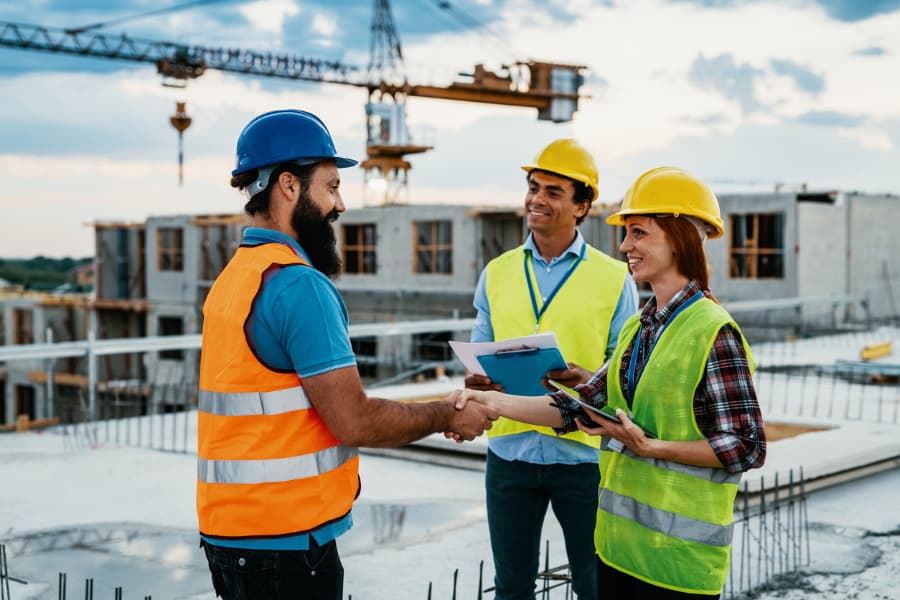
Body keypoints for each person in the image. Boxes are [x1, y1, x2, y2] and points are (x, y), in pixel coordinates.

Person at [197, 109, 496, 600]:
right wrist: (447, 413)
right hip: (286, 544)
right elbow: (354, 421)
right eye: (331, 187)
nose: (340, 205)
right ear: (289, 186)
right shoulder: (299, 286)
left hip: (230, 535)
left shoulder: (235, 279)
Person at [453, 166, 766, 599]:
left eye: (638, 233)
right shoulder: (641, 329)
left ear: (678, 239)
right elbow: (575, 407)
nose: (624, 246)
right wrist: (486, 404)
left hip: (678, 567)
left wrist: (652, 447)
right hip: (620, 554)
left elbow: (747, 445)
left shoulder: (713, 331)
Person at [467, 138, 639, 600]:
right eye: (533, 187)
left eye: (554, 191)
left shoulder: (614, 279)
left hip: (584, 460)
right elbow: (481, 347)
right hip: (509, 455)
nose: (537, 199)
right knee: (512, 588)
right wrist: (478, 379)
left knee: (595, 585)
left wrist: (588, 376)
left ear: (583, 205)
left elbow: (626, 373)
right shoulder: (497, 272)